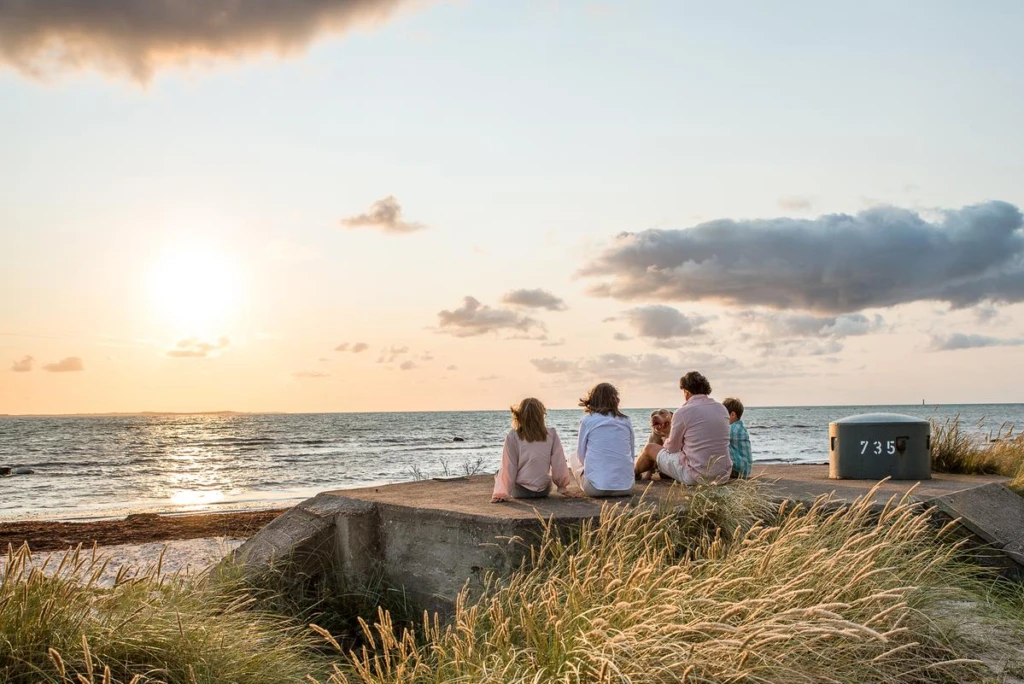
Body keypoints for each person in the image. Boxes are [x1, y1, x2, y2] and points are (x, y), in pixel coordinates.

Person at [634, 370, 731, 485]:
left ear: (686, 391)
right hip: (723, 475)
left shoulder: (683, 412)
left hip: (696, 476)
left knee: (649, 448)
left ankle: (632, 473)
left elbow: (672, 449)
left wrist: (665, 440)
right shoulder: (722, 409)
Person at [492, 397, 578, 503]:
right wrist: (562, 487)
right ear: (541, 415)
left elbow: (509, 467)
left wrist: (502, 493)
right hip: (543, 491)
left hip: (520, 492)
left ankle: (502, 491)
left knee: (498, 473)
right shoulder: (551, 434)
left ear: (520, 415)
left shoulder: (513, 436)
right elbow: (559, 463)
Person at [572, 382, 635, 497]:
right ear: (616, 400)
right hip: (626, 487)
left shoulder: (587, 420)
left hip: (596, 489)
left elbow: (581, 456)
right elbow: (631, 453)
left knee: (572, 457)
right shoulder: (626, 420)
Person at [634, 409, 672, 480]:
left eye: (662, 413)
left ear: (672, 417)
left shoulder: (678, 432)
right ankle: (636, 472)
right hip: (660, 465)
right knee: (647, 450)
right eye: (653, 415)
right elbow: (649, 458)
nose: (655, 416)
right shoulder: (653, 436)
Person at [722, 397, 752, 479]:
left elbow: (717, 437)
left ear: (732, 415)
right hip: (745, 469)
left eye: (723, 415)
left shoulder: (732, 429)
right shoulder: (740, 428)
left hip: (737, 469)